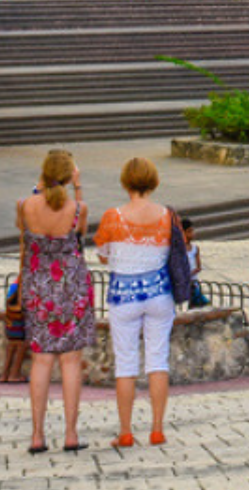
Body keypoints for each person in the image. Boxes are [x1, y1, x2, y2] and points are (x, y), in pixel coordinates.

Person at [94, 157, 178, 447]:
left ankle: (126, 431)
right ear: (153, 181)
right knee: (158, 359)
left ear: (125, 181)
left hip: (124, 294)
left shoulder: (112, 216)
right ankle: (157, 429)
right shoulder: (167, 215)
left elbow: (103, 254)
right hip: (159, 291)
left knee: (126, 363)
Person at [17, 150, 93, 453]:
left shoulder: (25, 206)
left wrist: (39, 186)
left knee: (41, 360)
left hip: (39, 288)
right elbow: (81, 237)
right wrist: (78, 187)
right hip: (72, 288)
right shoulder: (79, 208)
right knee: (71, 360)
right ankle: (71, 434)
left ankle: (37, 435)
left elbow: (22, 237)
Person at [0, 281, 28, 384]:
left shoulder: (14, 285)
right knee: (21, 345)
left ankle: (4, 374)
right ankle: (14, 374)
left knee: (11, 346)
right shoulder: (27, 285)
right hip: (20, 321)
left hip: (10, 320)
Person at [182, 215, 209, 308]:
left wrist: (193, 272)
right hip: (184, 281)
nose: (192, 234)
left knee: (195, 302)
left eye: (192, 231)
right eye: (189, 231)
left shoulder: (195, 248)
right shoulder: (179, 250)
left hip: (193, 281)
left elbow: (198, 266)